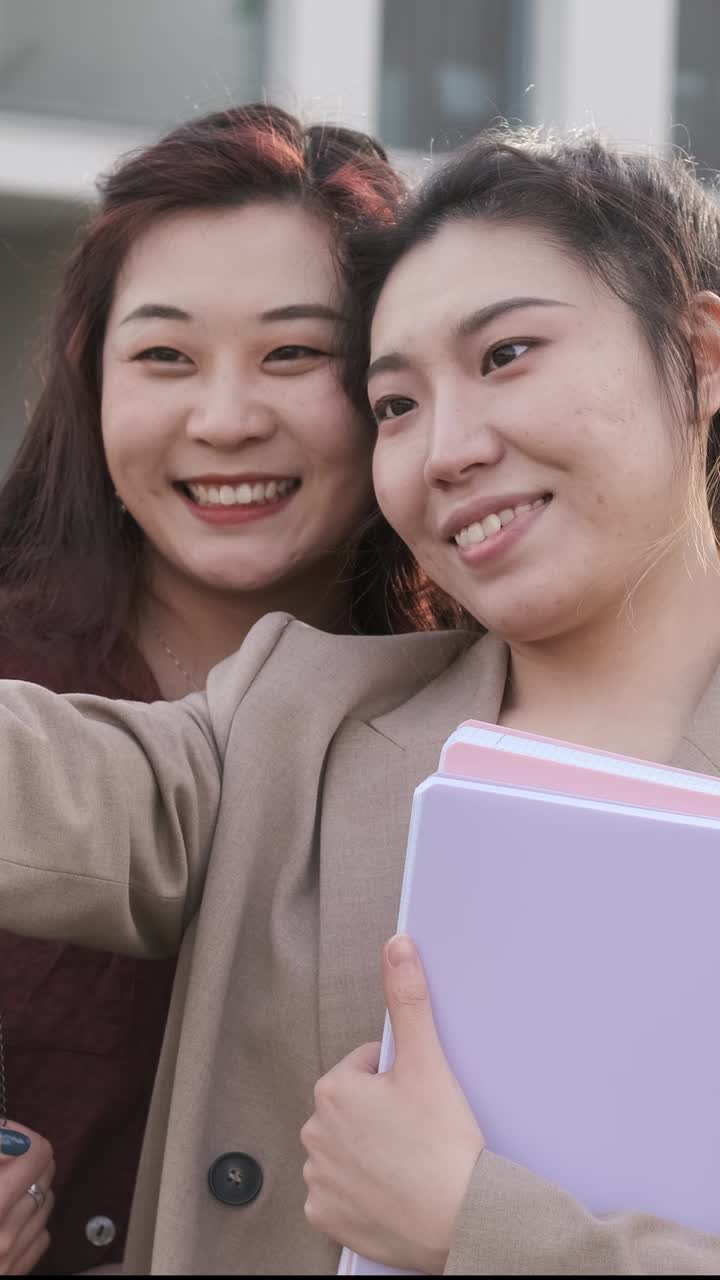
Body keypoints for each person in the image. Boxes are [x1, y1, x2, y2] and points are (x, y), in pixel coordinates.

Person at [0, 126, 718, 1275]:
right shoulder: (304, 715)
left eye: (506, 354)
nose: (446, 450)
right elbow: (54, 784)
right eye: (394, 404)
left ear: (699, 352)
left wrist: (471, 1223)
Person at [0, 101, 430, 1274]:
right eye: (164, 357)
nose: (226, 420)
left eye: (294, 355)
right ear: (89, 382)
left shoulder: (487, 708)